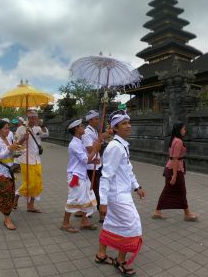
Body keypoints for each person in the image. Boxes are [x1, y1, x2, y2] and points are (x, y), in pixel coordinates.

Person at [96, 110, 145, 275]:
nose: (128, 126)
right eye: (124, 123)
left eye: (128, 122)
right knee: (132, 225)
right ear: (115, 128)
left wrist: (137, 186)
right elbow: (105, 176)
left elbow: (127, 169)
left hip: (121, 193)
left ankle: (101, 254)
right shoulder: (115, 147)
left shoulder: (122, 145)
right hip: (117, 196)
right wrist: (102, 202)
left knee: (111, 222)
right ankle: (120, 260)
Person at [60, 119, 101, 233]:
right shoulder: (74, 144)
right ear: (76, 129)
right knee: (74, 198)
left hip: (82, 174)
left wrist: (93, 161)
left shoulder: (80, 141)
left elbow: (84, 160)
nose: (83, 128)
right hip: (76, 176)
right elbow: (85, 159)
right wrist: (95, 150)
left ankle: (85, 221)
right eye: (81, 126)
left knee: (88, 197)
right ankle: (65, 223)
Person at [152, 123, 198, 221]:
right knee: (181, 191)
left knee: (170, 190)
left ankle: (158, 211)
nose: (185, 131)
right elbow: (175, 158)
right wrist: (175, 175)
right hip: (175, 169)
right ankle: (187, 213)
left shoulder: (174, 140)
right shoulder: (178, 141)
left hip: (172, 168)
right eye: (184, 129)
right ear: (179, 130)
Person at [0, 120, 20, 230]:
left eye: (8, 128)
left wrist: (17, 151)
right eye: (5, 128)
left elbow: (10, 154)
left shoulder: (8, 139)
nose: (8, 130)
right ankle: (7, 219)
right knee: (5, 195)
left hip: (9, 170)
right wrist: (9, 149)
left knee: (10, 194)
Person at [14, 110, 49, 212]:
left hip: (37, 160)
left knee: (37, 184)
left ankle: (30, 206)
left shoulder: (38, 128)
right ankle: (16, 196)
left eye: (35, 118)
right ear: (28, 119)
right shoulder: (21, 129)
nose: (33, 120)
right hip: (26, 160)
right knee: (30, 183)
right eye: (31, 118)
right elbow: (16, 145)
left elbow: (46, 135)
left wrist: (43, 126)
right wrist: (23, 138)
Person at [81, 110, 107, 223]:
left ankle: (85, 210)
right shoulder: (87, 132)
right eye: (96, 119)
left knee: (93, 189)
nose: (98, 121)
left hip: (97, 163)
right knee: (95, 189)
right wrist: (100, 140)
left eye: (98, 118)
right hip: (91, 165)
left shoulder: (95, 131)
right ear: (90, 120)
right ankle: (101, 214)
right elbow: (90, 149)